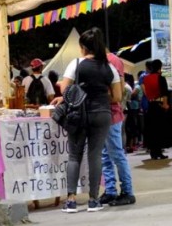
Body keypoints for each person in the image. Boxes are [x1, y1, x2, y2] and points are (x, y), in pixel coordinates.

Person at [56, 27, 122, 213]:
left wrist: (83, 94)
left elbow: (64, 90)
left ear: (84, 47)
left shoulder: (75, 64)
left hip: (79, 114)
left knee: (74, 155)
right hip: (102, 113)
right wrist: (99, 95)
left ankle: (70, 201)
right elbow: (117, 96)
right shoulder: (110, 68)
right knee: (95, 156)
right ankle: (94, 200)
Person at [98, 53, 136, 207]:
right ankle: (110, 190)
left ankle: (127, 191)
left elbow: (118, 93)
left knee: (116, 155)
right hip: (101, 114)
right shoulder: (98, 60)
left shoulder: (112, 61)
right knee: (105, 156)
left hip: (111, 114)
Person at [142, 59, 172, 160]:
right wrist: (165, 104)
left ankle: (153, 151)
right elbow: (164, 93)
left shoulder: (146, 78)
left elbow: (146, 92)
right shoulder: (160, 78)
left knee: (152, 129)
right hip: (159, 105)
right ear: (160, 67)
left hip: (151, 105)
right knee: (159, 129)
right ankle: (158, 151)